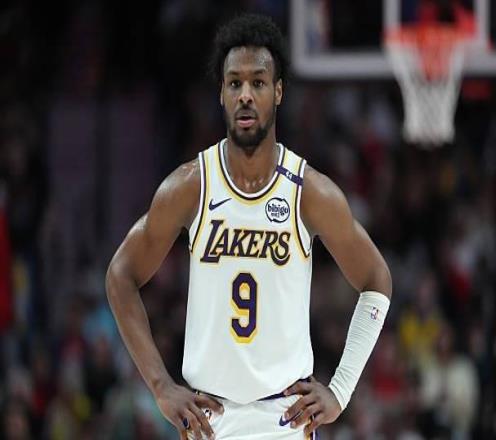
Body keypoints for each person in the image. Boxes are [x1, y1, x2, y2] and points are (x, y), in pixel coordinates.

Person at [106, 13, 392, 440]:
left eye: (258, 82)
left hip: (285, 420)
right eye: (234, 83)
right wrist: (161, 386)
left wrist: (341, 389)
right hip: (209, 420)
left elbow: (377, 279)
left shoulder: (309, 192)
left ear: (278, 92)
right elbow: (120, 275)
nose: (245, 95)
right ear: (221, 94)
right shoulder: (190, 186)